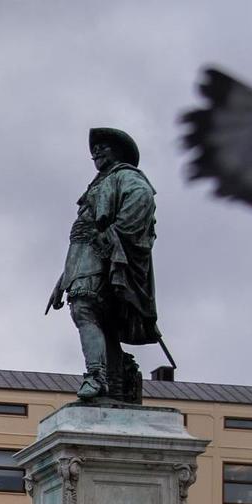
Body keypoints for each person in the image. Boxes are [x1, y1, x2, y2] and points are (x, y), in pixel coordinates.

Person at [46, 127, 162, 404]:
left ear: (118, 152)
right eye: (94, 150)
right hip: (82, 257)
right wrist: (63, 280)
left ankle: (97, 376)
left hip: (103, 253)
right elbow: (80, 236)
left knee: (85, 309)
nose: (96, 152)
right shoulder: (99, 184)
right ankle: (114, 382)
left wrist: (112, 237)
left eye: (103, 147)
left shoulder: (127, 177)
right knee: (101, 320)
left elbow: (141, 202)